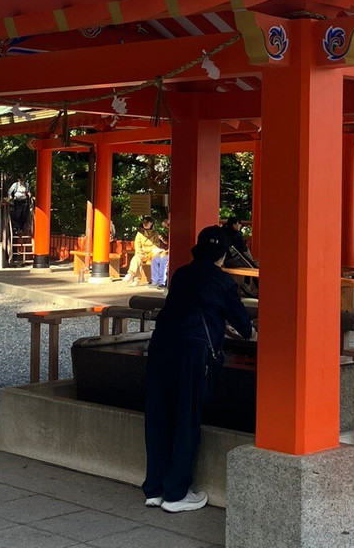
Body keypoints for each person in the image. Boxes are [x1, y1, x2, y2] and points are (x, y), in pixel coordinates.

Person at [142, 225, 255, 512]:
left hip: (160, 347)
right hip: (191, 355)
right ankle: (177, 493)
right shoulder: (223, 282)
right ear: (222, 256)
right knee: (185, 418)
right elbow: (245, 328)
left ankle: (154, 489)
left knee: (158, 416)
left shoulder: (181, 273)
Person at [125, 215, 167, 285]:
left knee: (157, 258)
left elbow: (156, 245)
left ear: (151, 224)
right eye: (144, 223)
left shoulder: (155, 233)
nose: (145, 224)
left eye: (147, 223)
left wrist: (150, 251)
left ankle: (154, 281)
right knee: (137, 257)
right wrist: (140, 252)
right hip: (143, 253)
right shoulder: (139, 233)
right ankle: (132, 275)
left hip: (152, 253)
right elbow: (137, 245)